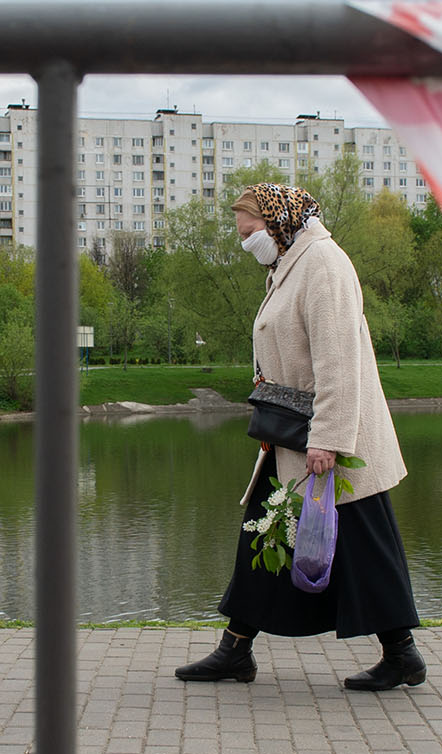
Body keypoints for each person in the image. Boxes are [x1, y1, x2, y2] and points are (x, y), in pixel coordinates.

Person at [175, 183, 425, 691]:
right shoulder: (289, 265)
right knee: (264, 534)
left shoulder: (323, 265)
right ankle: (236, 649)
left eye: (252, 233)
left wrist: (328, 440)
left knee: (362, 545)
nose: (248, 244)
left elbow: (339, 361)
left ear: (280, 222)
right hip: (292, 432)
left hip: (330, 439)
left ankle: (401, 653)